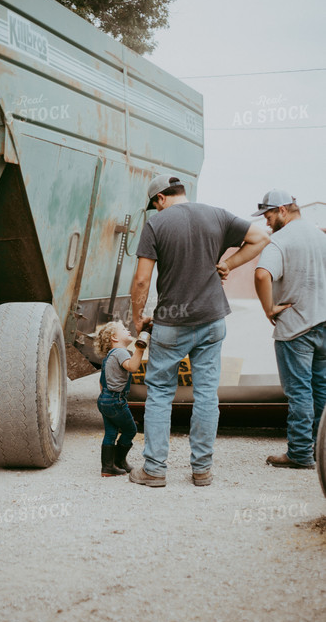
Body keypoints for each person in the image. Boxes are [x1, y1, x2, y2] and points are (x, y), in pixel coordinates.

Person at [130, 174, 270, 487]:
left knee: (160, 396)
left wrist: (138, 317)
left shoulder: (156, 225)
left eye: (155, 207)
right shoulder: (217, 215)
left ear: (160, 199)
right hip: (211, 320)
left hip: (171, 322)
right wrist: (229, 264)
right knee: (206, 394)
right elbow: (260, 237)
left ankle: (154, 470)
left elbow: (141, 280)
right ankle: (202, 470)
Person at [253, 189, 326, 469]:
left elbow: (261, 274)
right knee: (322, 391)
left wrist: (268, 308)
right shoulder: (321, 237)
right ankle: (322, 451)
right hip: (323, 324)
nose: (267, 223)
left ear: (283, 210)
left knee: (299, 392)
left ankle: (299, 453)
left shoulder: (279, 241)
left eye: (269, 215)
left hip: (296, 329)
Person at [94, 320, 145, 477]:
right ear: (114, 338)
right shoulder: (121, 352)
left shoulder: (109, 357)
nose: (128, 330)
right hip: (116, 401)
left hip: (104, 399)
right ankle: (119, 461)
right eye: (124, 329)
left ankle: (107, 468)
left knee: (111, 433)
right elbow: (132, 367)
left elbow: (101, 382)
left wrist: (106, 398)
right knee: (130, 429)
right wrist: (140, 349)